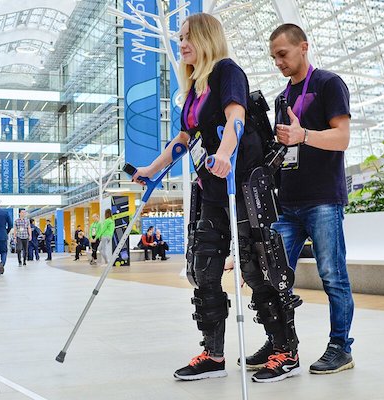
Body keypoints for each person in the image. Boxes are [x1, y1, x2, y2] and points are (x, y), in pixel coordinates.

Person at [133, 13, 279, 382]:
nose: (182, 44)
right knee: (204, 269)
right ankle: (213, 356)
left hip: (240, 185)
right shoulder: (193, 89)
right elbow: (184, 140)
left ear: (206, 39)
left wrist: (225, 154)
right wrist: (151, 169)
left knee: (255, 266)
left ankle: (283, 349)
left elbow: (236, 119)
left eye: (188, 37)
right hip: (210, 189)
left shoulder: (227, 72)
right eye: (180, 38)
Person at [267, 23, 355, 375]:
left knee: (332, 276)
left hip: (323, 199)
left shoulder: (328, 84)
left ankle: (340, 348)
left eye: (283, 54)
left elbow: (342, 138)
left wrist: (303, 135)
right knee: (273, 276)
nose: (278, 62)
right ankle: (280, 344)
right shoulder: (281, 98)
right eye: (273, 57)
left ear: (303, 47)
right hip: (287, 202)